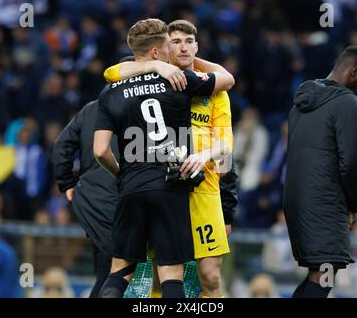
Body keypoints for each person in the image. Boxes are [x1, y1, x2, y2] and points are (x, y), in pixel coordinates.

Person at [93, 18, 234, 298]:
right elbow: (228, 77)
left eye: (189, 42)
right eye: (175, 42)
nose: (181, 48)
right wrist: (156, 66)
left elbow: (227, 146)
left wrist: (227, 205)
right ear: (161, 49)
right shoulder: (182, 83)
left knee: (207, 276)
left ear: (197, 45)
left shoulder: (113, 91)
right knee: (167, 275)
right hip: (171, 187)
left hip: (194, 188)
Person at [284, 46, 357, 298]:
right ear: (354, 70)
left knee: (319, 273)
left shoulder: (300, 103)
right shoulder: (347, 102)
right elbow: (353, 162)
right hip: (324, 202)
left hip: (295, 202)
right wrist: (354, 205)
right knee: (325, 274)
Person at [51, 99, 120, 297]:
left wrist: (67, 183)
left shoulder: (91, 108)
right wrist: (66, 183)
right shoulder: (143, 102)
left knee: (105, 270)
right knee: (115, 272)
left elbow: (61, 146)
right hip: (121, 196)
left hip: (92, 199)